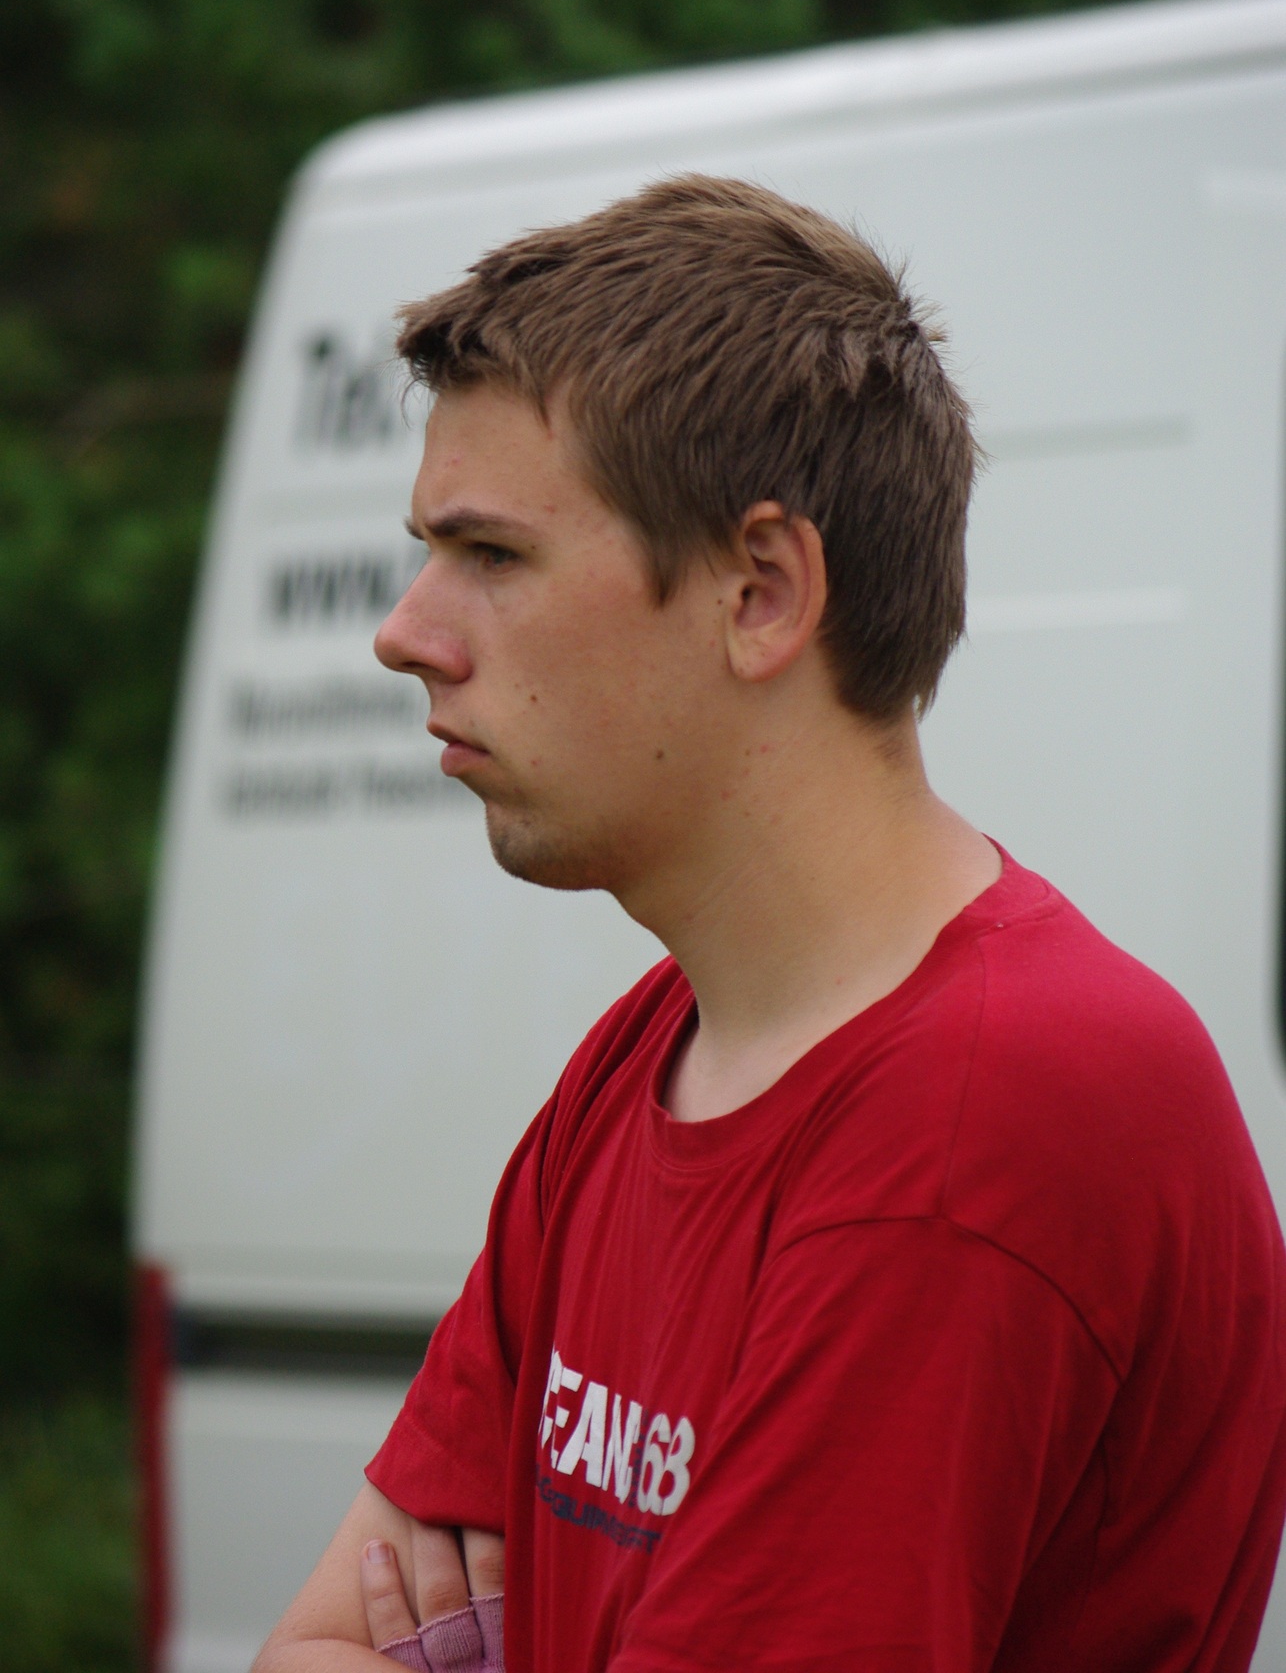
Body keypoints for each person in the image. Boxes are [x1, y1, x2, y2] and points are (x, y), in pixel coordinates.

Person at [252, 176, 1286, 1673]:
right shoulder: (654, 1052)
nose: (404, 632)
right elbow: (313, 1646)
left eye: (491, 555)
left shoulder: (981, 1122)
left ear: (759, 593)